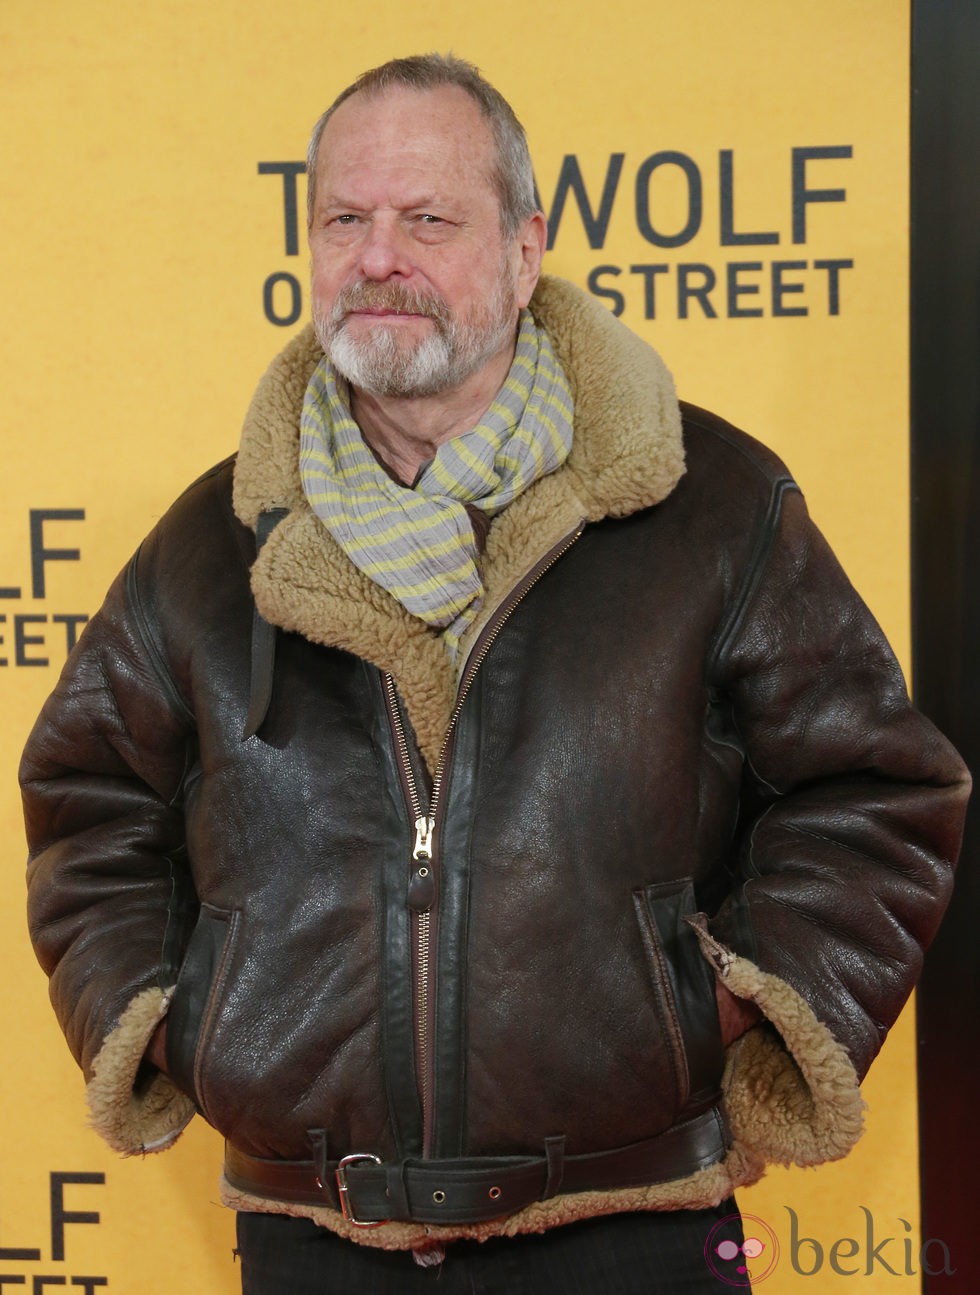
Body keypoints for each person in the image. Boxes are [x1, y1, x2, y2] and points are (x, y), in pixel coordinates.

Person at [21, 53, 970, 1295]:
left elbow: (877, 788)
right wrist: (184, 1017)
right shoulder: (214, 540)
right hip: (310, 1238)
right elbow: (88, 800)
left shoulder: (710, 503)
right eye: (344, 219)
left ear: (525, 251)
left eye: (427, 218)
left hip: (631, 1226)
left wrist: (723, 1004)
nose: (377, 256)